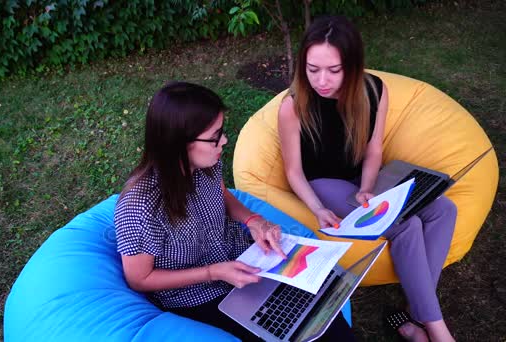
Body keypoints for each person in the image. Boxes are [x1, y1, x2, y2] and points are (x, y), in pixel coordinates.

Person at [114, 81, 356, 341]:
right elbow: (140, 279)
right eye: (215, 136)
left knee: (324, 303)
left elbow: (223, 195)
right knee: (290, 328)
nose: (224, 141)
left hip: (242, 258)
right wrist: (213, 272)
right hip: (196, 295)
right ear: (179, 143)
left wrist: (254, 220)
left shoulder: (206, 164)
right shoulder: (140, 207)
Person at [277, 15, 457, 342]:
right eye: (312, 69)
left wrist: (368, 188)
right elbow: (294, 171)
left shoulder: (374, 90)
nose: (321, 80)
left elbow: (374, 148)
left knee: (445, 209)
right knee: (408, 225)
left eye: (334, 70)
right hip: (325, 183)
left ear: (354, 65)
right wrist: (317, 209)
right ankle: (436, 328)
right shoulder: (293, 106)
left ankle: (419, 314)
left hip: (365, 178)